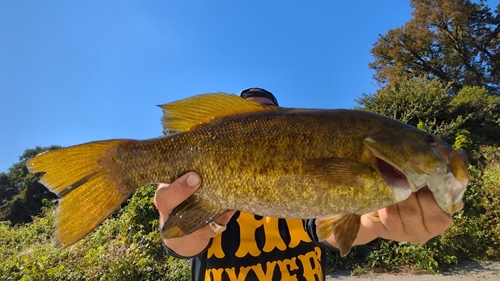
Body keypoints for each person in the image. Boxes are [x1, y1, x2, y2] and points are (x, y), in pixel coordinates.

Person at [154, 88, 461, 281]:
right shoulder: (194, 184)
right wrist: (197, 224)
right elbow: (180, 244)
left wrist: (377, 222)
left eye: (266, 116)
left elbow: (328, 228)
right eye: (244, 117)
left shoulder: (336, 179)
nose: (256, 124)